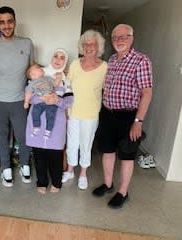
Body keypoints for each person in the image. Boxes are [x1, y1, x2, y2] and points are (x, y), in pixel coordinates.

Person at [92, 24, 153, 209]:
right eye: (115, 38)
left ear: (131, 38)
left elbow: (147, 93)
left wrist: (138, 122)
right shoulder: (111, 60)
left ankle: (122, 192)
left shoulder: (141, 60)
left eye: (123, 37)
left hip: (128, 117)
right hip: (107, 114)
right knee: (107, 151)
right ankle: (108, 184)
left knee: (127, 155)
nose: (119, 40)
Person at [0, 6, 35, 187]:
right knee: (2, 136)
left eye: (10, 21)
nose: (6, 25)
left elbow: (32, 70)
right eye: (2, 22)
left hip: (20, 100)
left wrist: (54, 71)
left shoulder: (27, 43)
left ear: (15, 22)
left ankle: (25, 166)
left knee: (24, 136)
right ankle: (6, 169)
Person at [62, 30, 108, 190]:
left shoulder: (105, 67)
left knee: (86, 144)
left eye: (92, 44)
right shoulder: (75, 64)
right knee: (72, 143)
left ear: (99, 47)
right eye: (85, 44)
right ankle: (70, 171)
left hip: (91, 113)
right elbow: (67, 85)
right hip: (73, 111)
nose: (88, 47)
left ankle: (83, 173)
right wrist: (66, 108)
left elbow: (106, 90)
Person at [26, 50, 74, 194]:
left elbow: (69, 101)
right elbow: (30, 97)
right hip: (38, 122)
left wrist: (57, 100)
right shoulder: (39, 74)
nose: (58, 60)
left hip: (57, 122)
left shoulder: (67, 79)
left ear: (65, 61)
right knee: (39, 155)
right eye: (55, 56)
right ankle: (41, 182)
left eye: (62, 58)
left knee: (56, 156)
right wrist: (41, 99)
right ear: (51, 57)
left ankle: (56, 182)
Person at [24, 64, 62, 139]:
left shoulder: (47, 78)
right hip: (40, 102)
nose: (41, 68)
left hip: (51, 101)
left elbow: (55, 85)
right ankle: (36, 127)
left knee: (50, 114)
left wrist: (58, 78)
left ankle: (48, 130)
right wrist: (26, 102)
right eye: (37, 68)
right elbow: (28, 93)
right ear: (33, 74)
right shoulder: (32, 83)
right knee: (34, 112)